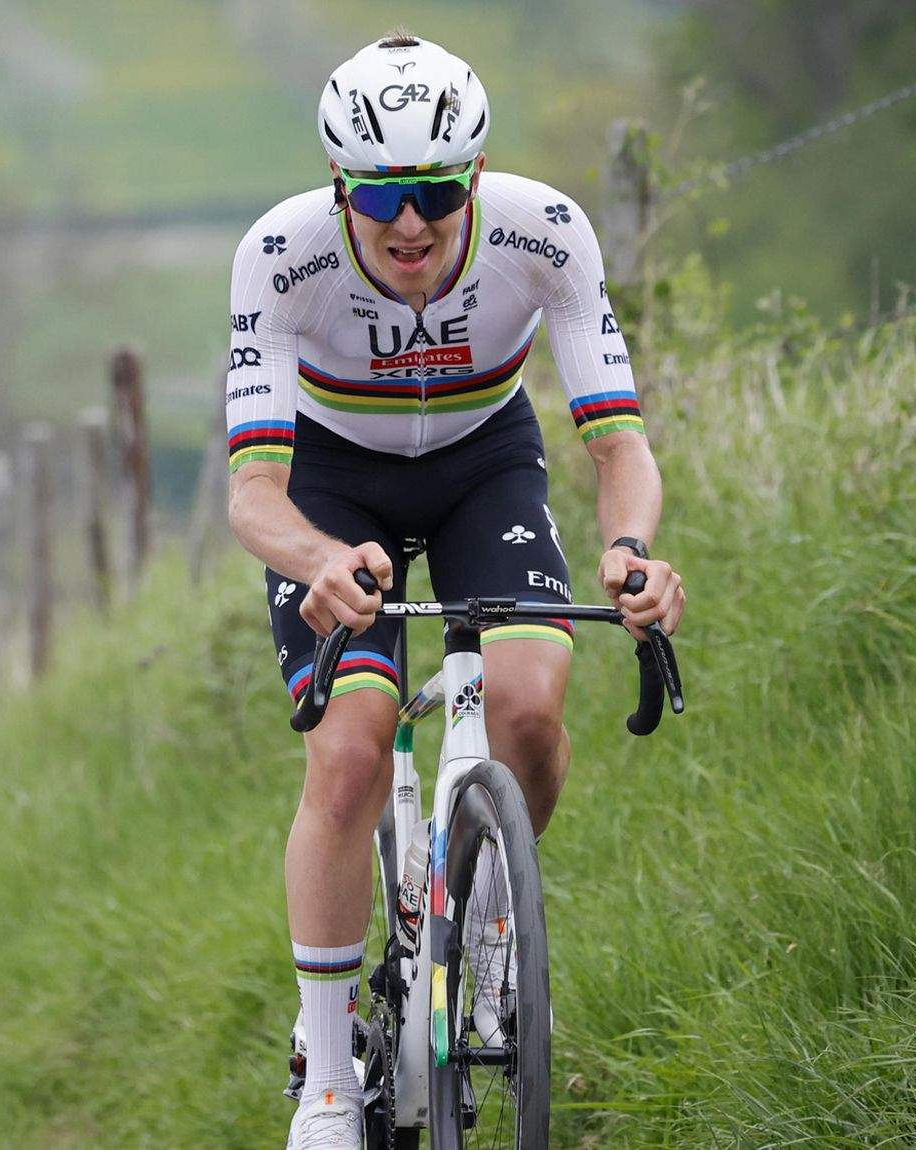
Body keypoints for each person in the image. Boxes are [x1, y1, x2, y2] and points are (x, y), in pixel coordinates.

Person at [226, 32, 686, 1147]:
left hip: (485, 463)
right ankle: (327, 1074)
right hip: (332, 483)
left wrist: (630, 551)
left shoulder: (544, 232)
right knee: (349, 749)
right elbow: (253, 493)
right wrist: (315, 560)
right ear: (339, 183)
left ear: (474, 176)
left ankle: (488, 935)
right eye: (379, 193)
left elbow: (618, 445)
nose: (408, 223)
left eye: (435, 191)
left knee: (529, 708)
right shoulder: (281, 254)